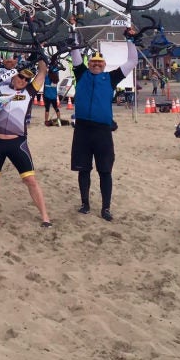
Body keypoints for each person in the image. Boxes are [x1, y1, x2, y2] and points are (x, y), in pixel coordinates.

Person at [70, 30, 138, 220]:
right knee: (83, 169)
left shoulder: (111, 77)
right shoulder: (81, 73)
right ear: (88, 64)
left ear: (104, 65)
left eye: (100, 62)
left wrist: (130, 39)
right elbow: (75, 53)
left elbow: (132, 61)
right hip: (82, 130)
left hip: (102, 132)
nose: (96, 64)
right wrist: (74, 30)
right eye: (93, 62)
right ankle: (85, 204)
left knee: (105, 171)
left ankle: (105, 208)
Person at [0, 62, 53, 229]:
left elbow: (43, 72)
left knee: (30, 180)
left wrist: (41, 52)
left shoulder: (29, 92)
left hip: (17, 143)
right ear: (13, 75)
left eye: (26, 78)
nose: (22, 80)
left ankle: (45, 217)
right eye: (20, 76)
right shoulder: (0, 88)